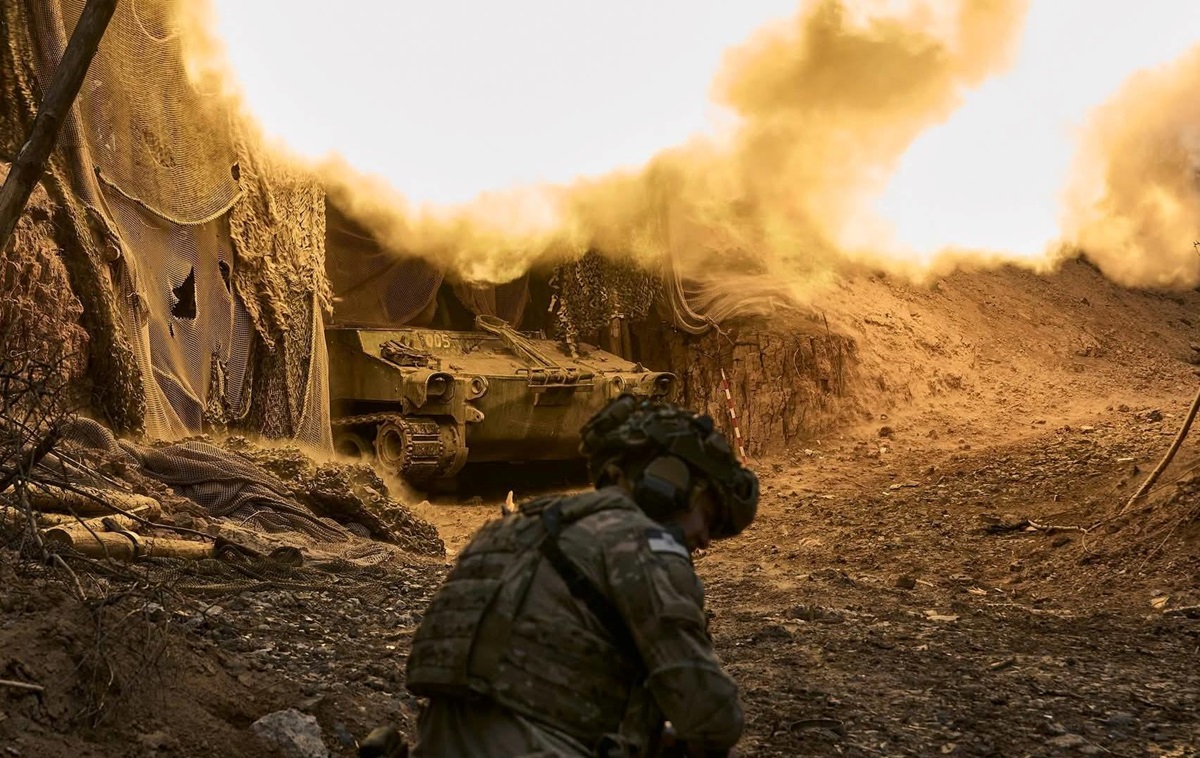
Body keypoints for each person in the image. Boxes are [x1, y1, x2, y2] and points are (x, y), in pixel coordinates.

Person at [402, 394, 759, 757]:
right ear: (669, 485)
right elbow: (711, 716)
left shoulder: (512, 529)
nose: (705, 539)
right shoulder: (642, 542)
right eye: (707, 517)